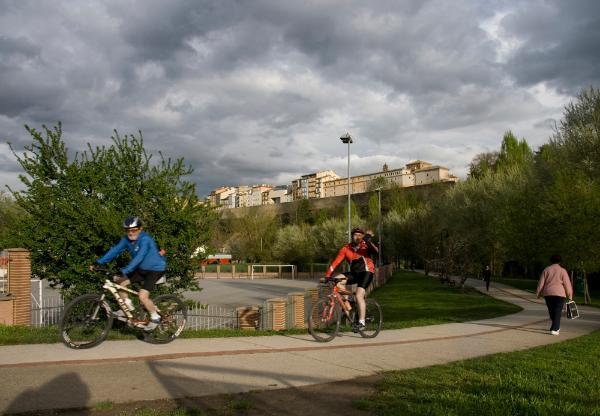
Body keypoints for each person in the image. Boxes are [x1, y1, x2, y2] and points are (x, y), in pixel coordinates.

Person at [92, 216, 166, 331]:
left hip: (155, 269)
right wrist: (99, 262)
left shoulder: (145, 239)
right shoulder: (126, 240)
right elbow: (115, 250)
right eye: (128, 230)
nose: (131, 233)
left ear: (140, 229)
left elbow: (140, 257)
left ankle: (155, 317)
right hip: (142, 269)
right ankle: (127, 306)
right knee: (121, 282)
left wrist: (125, 271)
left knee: (142, 296)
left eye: (134, 230)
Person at [326, 227, 379, 331]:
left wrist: (368, 241)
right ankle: (349, 301)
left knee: (359, 295)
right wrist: (328, 275)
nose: (358, 237)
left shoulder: (365, 246)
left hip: (367, 272)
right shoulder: (346, 248)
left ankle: (362, 322)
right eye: (355, 235)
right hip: (355, 274)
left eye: (360, 235)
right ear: (352, 236)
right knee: (337, 280)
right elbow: (336, 262)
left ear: (362, 237)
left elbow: (376, 251)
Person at [536, 254, 573, 336]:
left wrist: (538, 293)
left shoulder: (546, 269)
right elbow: (567, 284)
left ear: (550, 261)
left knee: (552, 311)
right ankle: (555, 328)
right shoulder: (563, 270)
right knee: (557, 311)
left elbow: (541, 282)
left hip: (548, 293)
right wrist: (570, 296)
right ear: (560, 261)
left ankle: (555, 327)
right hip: (560, 294)